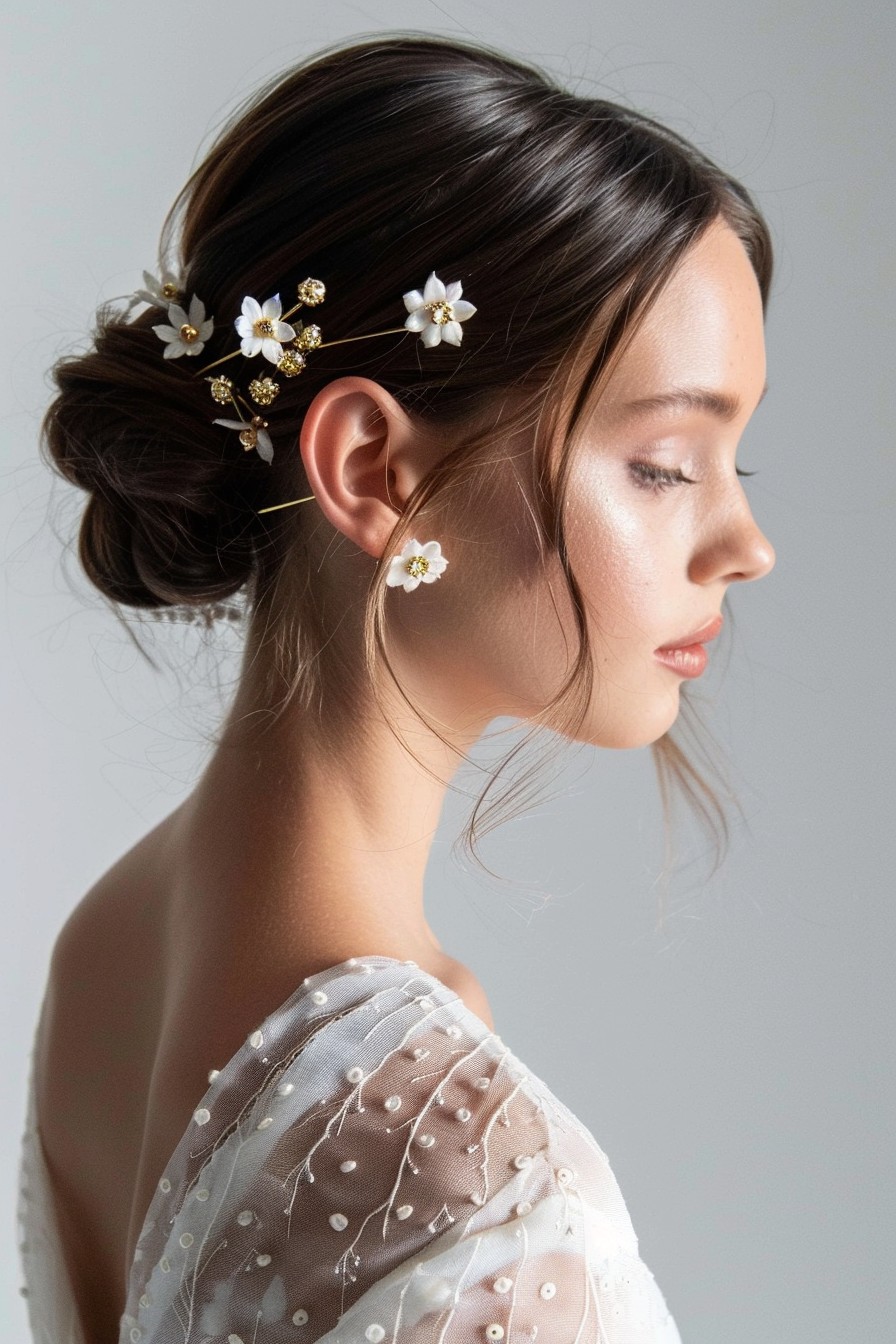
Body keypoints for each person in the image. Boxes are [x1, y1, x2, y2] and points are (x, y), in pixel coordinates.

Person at [16, 33, 776, 1344]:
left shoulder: (113, 946)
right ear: (375, 470)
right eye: (664, 464)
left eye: (735, 467)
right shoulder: (474, 1182)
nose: (744, 547)